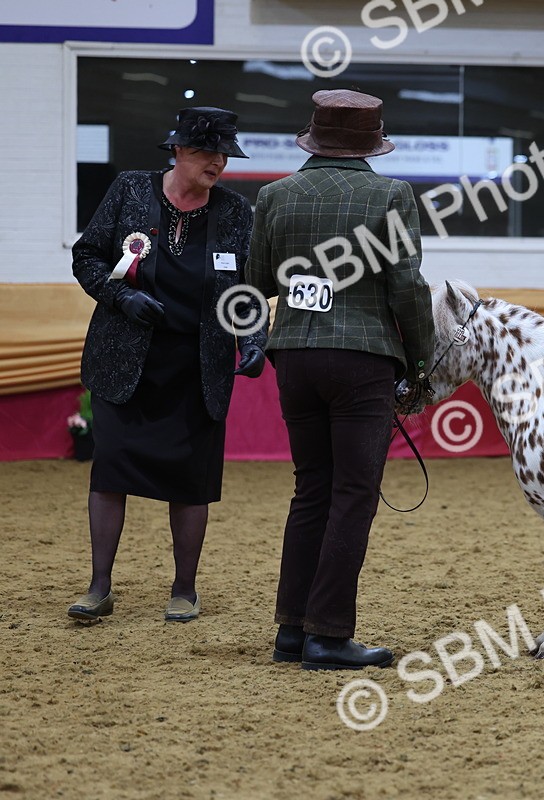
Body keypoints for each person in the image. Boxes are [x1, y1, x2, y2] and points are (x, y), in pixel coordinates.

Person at [245, 90, 436, 670]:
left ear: (315, 136)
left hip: (294, 357)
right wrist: (420, 361)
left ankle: (291, 630)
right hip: (362, 359)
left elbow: (258, 283)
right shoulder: (391, 195)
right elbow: (407, 287)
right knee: (353, 495)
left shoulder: (274, 195)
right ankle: (328, 635)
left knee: (311, 491)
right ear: (371, 143)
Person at [68, 107, 266, 623]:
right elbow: (87, 257)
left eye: (224, 154)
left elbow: (247, 288)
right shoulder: (130, 190)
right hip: (125, 362)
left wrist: (253, 340)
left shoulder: (235, 211)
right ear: (177, 151)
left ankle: (184, 590)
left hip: (198, 369)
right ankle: (99, 587)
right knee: (110, 470)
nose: (217, 163)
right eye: (206, 152)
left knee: (190, 480)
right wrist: (120, 297)